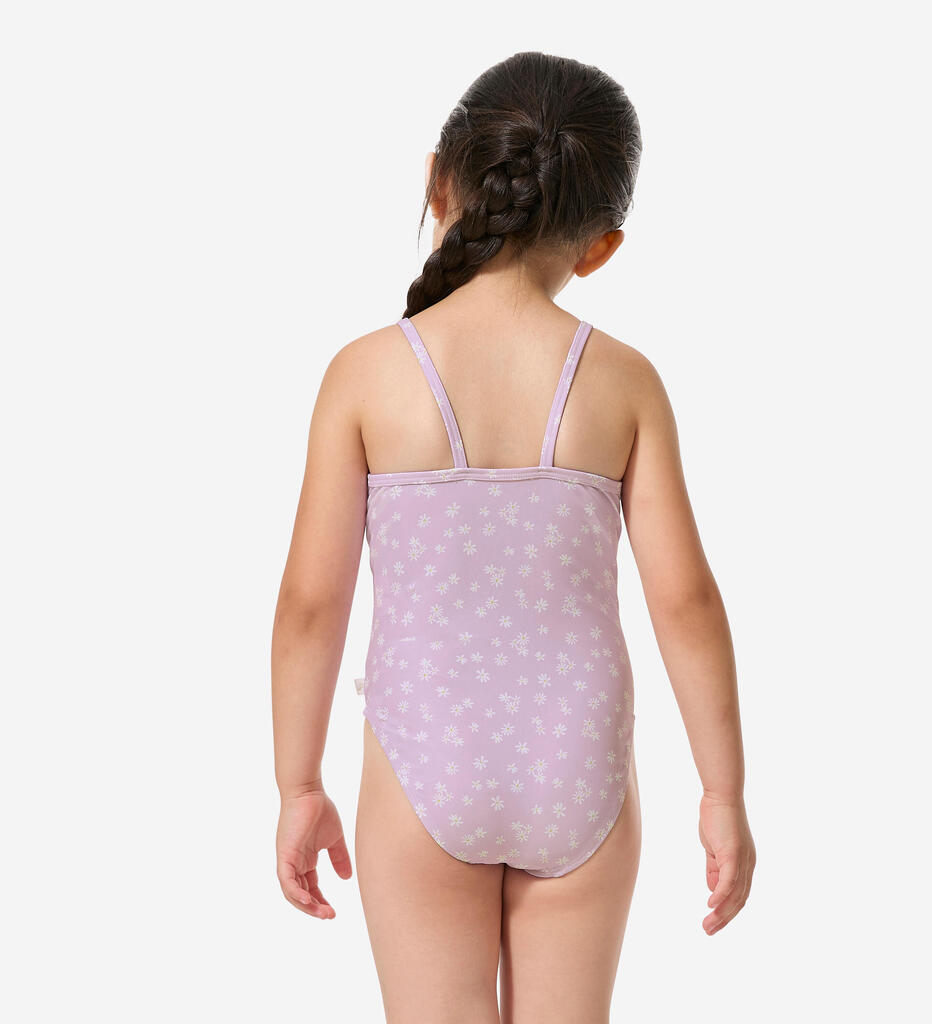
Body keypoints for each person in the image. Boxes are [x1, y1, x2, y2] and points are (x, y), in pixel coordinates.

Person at [271, 50, 755, 1022]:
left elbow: (310, 604)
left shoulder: (365, 375)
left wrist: (298, 785)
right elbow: (686, 601)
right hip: (579, 764)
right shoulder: (624, 382)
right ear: (601, 247)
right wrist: (722, 792)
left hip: (423, 760)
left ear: (437, 183)